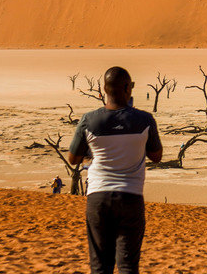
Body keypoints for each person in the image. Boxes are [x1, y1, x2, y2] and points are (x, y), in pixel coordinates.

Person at [69, 66, 163, 274]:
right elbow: (156, 156)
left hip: (98, 198)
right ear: (127, 88)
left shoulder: (89, 120)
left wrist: (91, 154)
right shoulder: (145, 120)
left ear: (103, 90)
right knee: (128, 266)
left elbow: (73, 158)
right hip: (130, 198)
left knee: (100, 266)